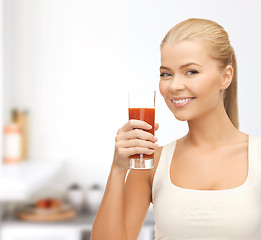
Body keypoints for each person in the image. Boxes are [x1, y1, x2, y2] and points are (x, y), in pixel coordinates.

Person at [91, 18, 261, 240]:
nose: (174, 86)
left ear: (225, 76)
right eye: (166, 74)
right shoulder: (151, 164)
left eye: (191, 72)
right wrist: (118, 169)